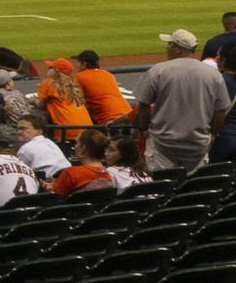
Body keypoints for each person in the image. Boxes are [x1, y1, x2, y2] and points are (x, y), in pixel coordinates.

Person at [137, 29, 232, 171]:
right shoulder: (213, 74)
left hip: (162, 143)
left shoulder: (158, 70)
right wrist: (213, 133)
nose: (167, 48)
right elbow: (221, 110)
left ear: (177, 48)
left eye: (170, 44)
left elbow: (143, 104)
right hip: (197, 144)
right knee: (193, 188)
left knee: (162, 186)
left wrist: (144, 128)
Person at [74, 50, 132, 128]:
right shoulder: (108, 74)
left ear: (84, 64)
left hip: (109, 121)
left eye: (78, 62)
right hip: (128, 115)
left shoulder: (80, 77)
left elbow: (78, 103)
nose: (76, 65)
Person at [50, 130, 117, 196]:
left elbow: (55, 198)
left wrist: (50, 188)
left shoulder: (71, 173)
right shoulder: (108, 174)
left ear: (83, 149)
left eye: (76, 143)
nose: (74, 147)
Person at [35, 59, 94, 132]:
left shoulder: (49, 83)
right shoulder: (74, 84)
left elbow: (40, 104)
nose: (48, 70)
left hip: (67, 133)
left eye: (50, 68)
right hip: (89, 132)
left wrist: (33, 100)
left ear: (56, 71)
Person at [12, 115, 71, 181]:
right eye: (18, 129)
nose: (18, 132)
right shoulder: (49, 142)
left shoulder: (26, 148)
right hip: (68, 176)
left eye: (23, 129)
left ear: (39, 131)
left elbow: (20, 175)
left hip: (53, 183)